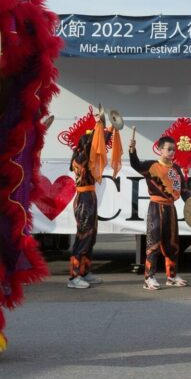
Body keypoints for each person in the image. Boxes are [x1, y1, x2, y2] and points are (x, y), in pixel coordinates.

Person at [65, 111, 120, 289]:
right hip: (83, 199)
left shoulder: (87, 157)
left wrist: (109, 128)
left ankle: (84, 272)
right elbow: (92, 145)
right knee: (83, 237)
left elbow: (97, 144)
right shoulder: (80, 158)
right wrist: (99, 126)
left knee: (91, 237)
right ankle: (73, 277)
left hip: (90, 197)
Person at [129, 134, 190, 290]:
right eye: (168, 149)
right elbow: (135, 164)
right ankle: (149, 278)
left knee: (172, 244)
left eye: (173, 149)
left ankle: (172, 276)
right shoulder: (152, 166)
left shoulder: (176, 169)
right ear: (160, 149)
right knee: (153, 243)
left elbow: (184, 190)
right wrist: (132, 151)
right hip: (156, 207)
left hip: (171, 208)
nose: (171, 152)